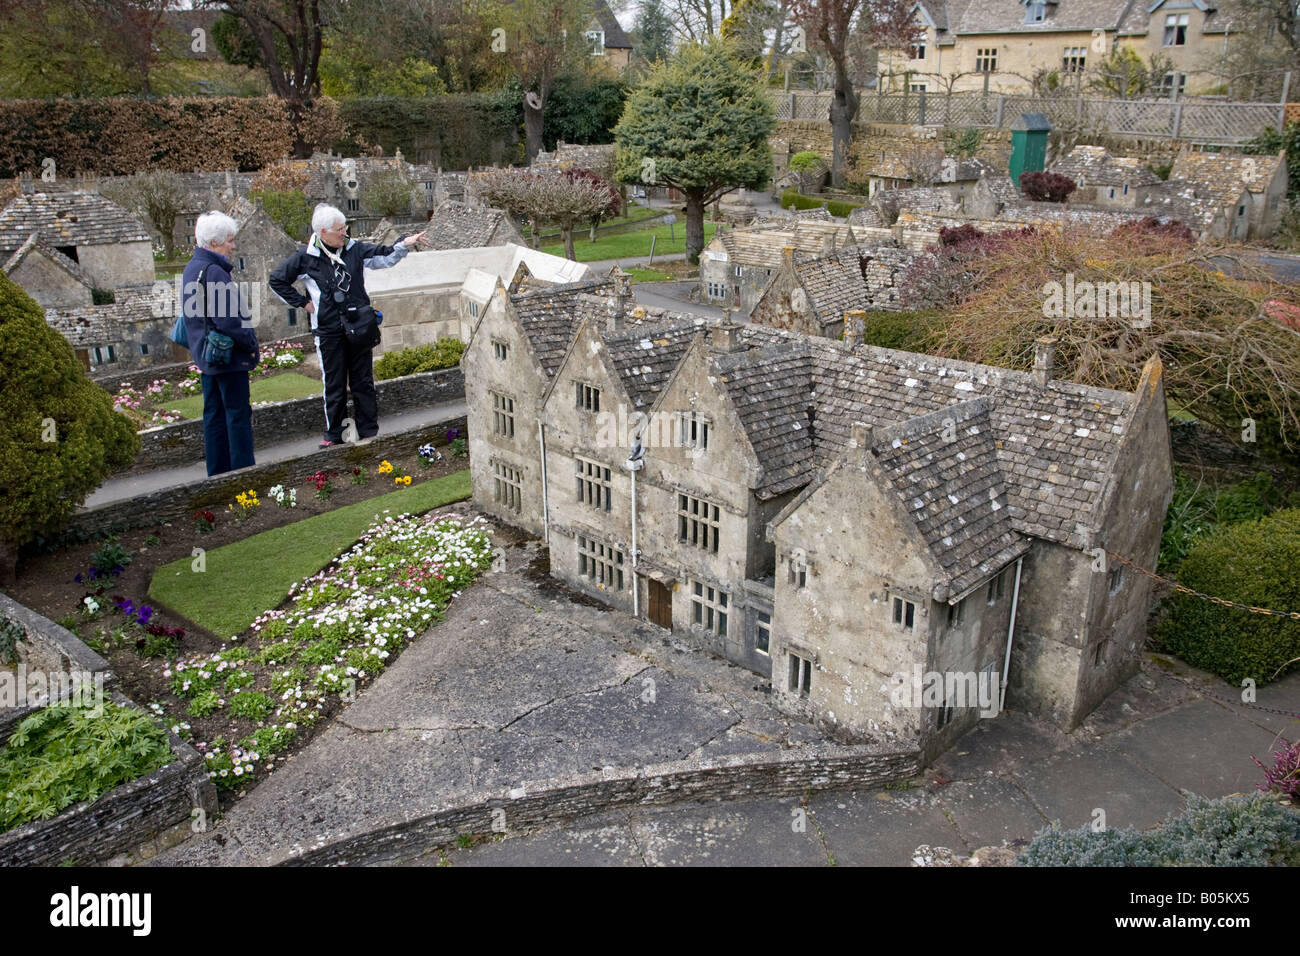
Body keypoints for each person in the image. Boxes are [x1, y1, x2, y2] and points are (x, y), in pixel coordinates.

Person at [269, 204, 426, 448]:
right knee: (334, 383)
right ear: (323, 232)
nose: (344, 233)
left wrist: (405, 243)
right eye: (339, 230)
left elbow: (383, 256)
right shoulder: (306, 257)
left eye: (345, 228)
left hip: (360, 327)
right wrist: (303, 303)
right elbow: (277, 280)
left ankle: (368, 431)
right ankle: (335, 435)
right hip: (329, 331)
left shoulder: (354, 249)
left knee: (363, 381)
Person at [183, 210, 259, 476]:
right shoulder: (214, 272)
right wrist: (250, 341)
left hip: (207, 357)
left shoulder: (192, 268)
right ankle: (242, 474)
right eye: (229, 240)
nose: (233, 245)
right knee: (237, 417)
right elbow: (228, 321)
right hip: (227, 357)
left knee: (213, 418)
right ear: (214, 243)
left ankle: (218, 474)